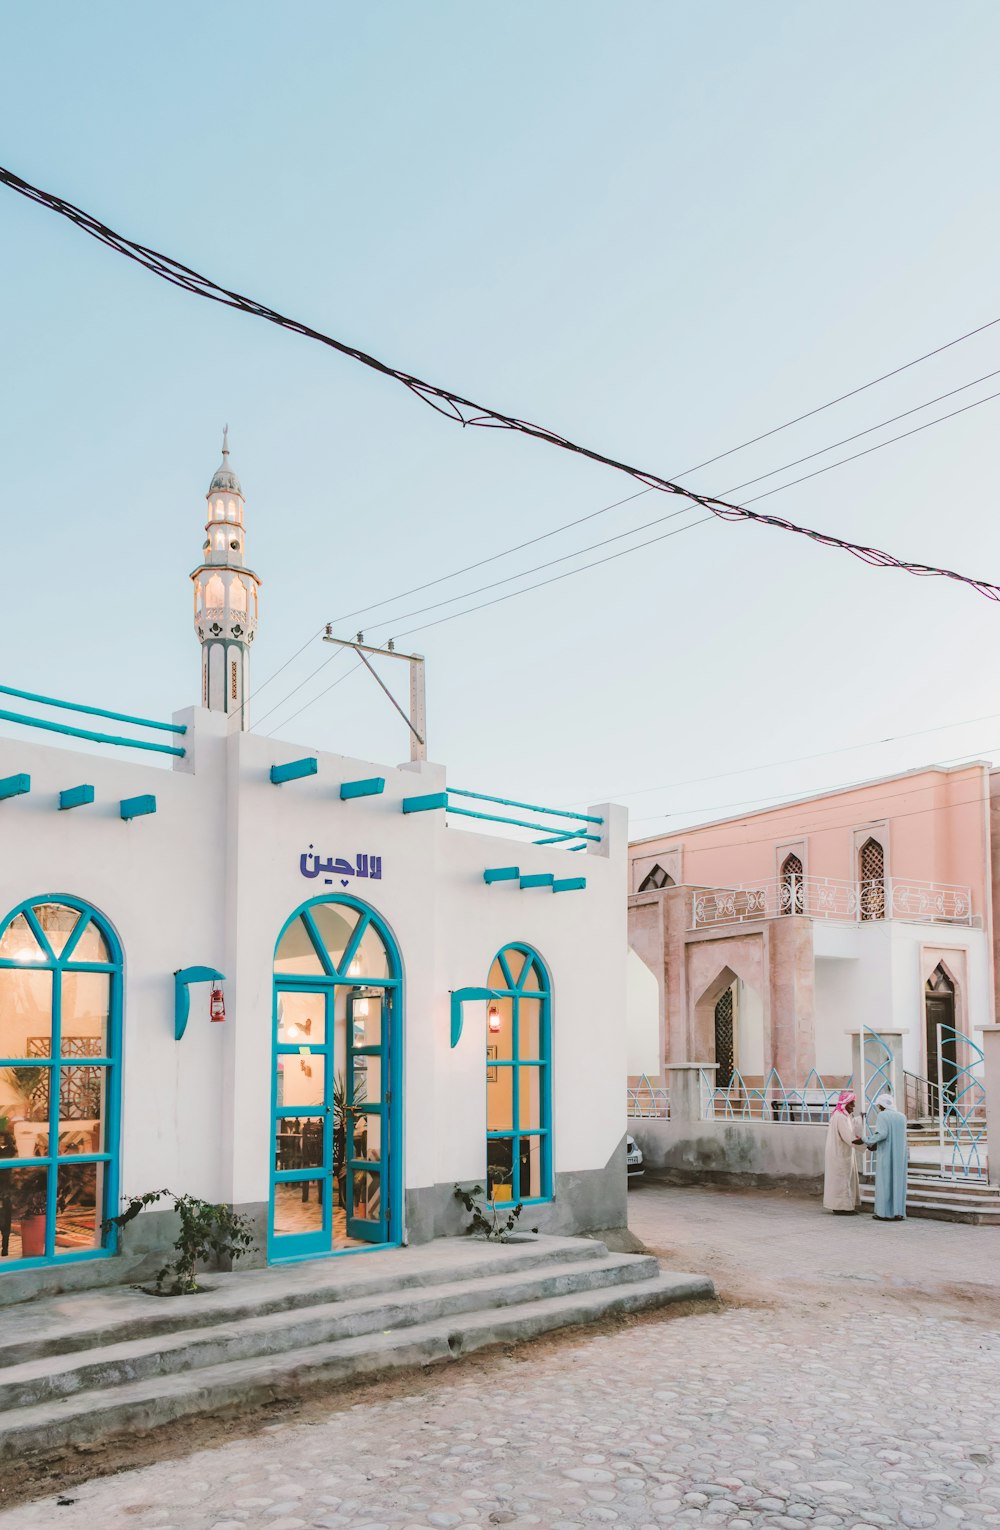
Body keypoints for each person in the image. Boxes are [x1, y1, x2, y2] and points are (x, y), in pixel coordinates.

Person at [866, 1092, 908, 1220]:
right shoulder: (902, 1116)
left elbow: (882, 1134)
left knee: (885, 1182)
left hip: (886, 1153)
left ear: (883, 1105)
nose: (879, 1108)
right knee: (898, 1182)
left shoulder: (883, 1116)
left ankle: (884, 1213)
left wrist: (867, 1140)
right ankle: (898, 1212)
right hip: (900, 1154)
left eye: (879, 1105)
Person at [823, 1089, 863, 1213]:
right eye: (852, 1104)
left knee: (841, 1180)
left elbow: (851, 1124)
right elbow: (849, 1137)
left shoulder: (842, 1116)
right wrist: (866, 1144)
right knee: (842, 1180)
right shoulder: (840, 1117)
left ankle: (840, 1206)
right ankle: (843, 1208)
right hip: (840, 1154)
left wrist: (861, 1118)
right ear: (846, 1104)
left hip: (839, 1153)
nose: (854, 1107)